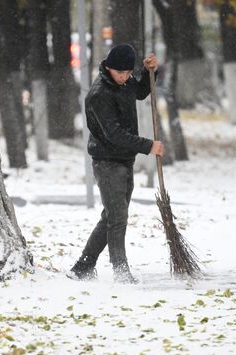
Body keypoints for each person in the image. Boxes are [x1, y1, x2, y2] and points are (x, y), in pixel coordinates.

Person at [68, 43, 164, 284]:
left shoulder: (126, 82)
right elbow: (114, 134)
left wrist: (151, 71)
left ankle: (83, 267)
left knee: (111, 217)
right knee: (118, 217)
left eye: (128, 73)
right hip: (107, 160)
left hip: (124, 160)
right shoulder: (99, 94)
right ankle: (120, 271)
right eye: (120, 73)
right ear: (108, 68)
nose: (124, 78)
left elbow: (142, 91)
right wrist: (147, 145)